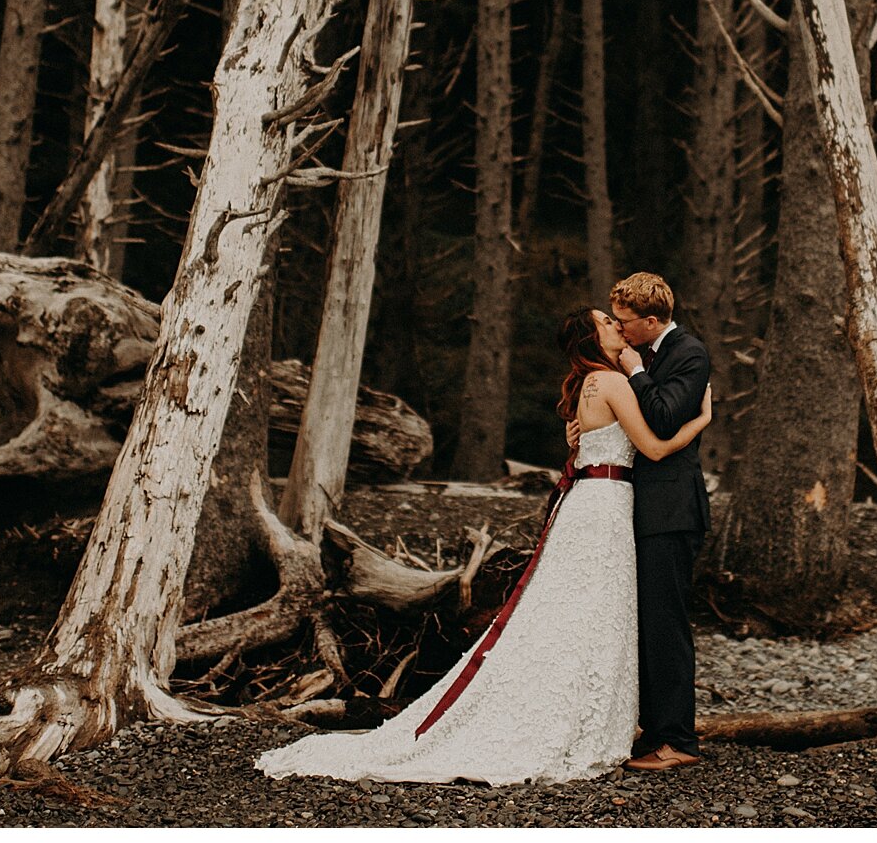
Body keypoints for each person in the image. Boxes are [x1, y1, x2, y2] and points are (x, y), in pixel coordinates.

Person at [254, 305, 711, 785]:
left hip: (592, 507)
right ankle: (582, 719)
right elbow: (655, 447)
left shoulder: (591, 384)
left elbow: (592, 442)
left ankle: (580, 713)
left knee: (579, 615)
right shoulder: (614, 382)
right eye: (607, 322)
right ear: (592, 339)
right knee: (593, 614)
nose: (618, 325)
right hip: (604, 508)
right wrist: (702, 416)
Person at [578, 271, 712, 772]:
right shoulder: (638, 356)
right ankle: (652, 730)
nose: (619, 327)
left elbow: (660, 420)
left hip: (671, 510)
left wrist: (636, 371)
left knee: (666, 625)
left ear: (651, 321)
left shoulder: (689, 354)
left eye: (625, 321)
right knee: (643, 624)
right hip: (636, 509)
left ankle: (677, 741)